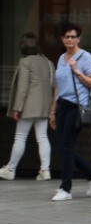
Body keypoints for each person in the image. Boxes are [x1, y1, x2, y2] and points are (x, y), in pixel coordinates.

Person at [48, 23, 91, 202]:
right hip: (63, 105)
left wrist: (77, 71)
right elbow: (58, 86)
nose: (70, 40)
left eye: (73, 37)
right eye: (67, 37)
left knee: (65, 146)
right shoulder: (61, 58)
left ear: (78, 39)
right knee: (65, 147)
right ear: (62, 39)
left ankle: (66, 188)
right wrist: (53, 110)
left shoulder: (85, 57)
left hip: (77, 106)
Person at [2, 33, 53, 182]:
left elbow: (23, 87)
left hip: (28, 106)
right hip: (44, 105)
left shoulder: (25, 62)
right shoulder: (48, 62)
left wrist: (17, 108)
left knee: (20, 137)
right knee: (42, 137)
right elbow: (53, 84)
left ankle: (10, 170)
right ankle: (45, 170)